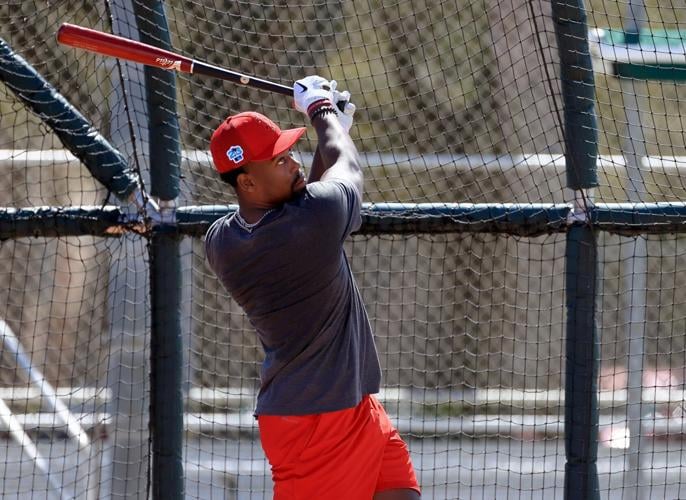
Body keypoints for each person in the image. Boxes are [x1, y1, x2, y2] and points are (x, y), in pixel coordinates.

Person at [204, 75, 420, 500]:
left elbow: (311, 201)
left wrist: (331, 131)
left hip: (347, 404)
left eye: (289, 154)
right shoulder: (310, 221)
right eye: (279, 161)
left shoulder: (221, 240)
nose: (295, 163)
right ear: (246, 182)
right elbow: (347, 170)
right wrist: (323, 112)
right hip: (315, 421)